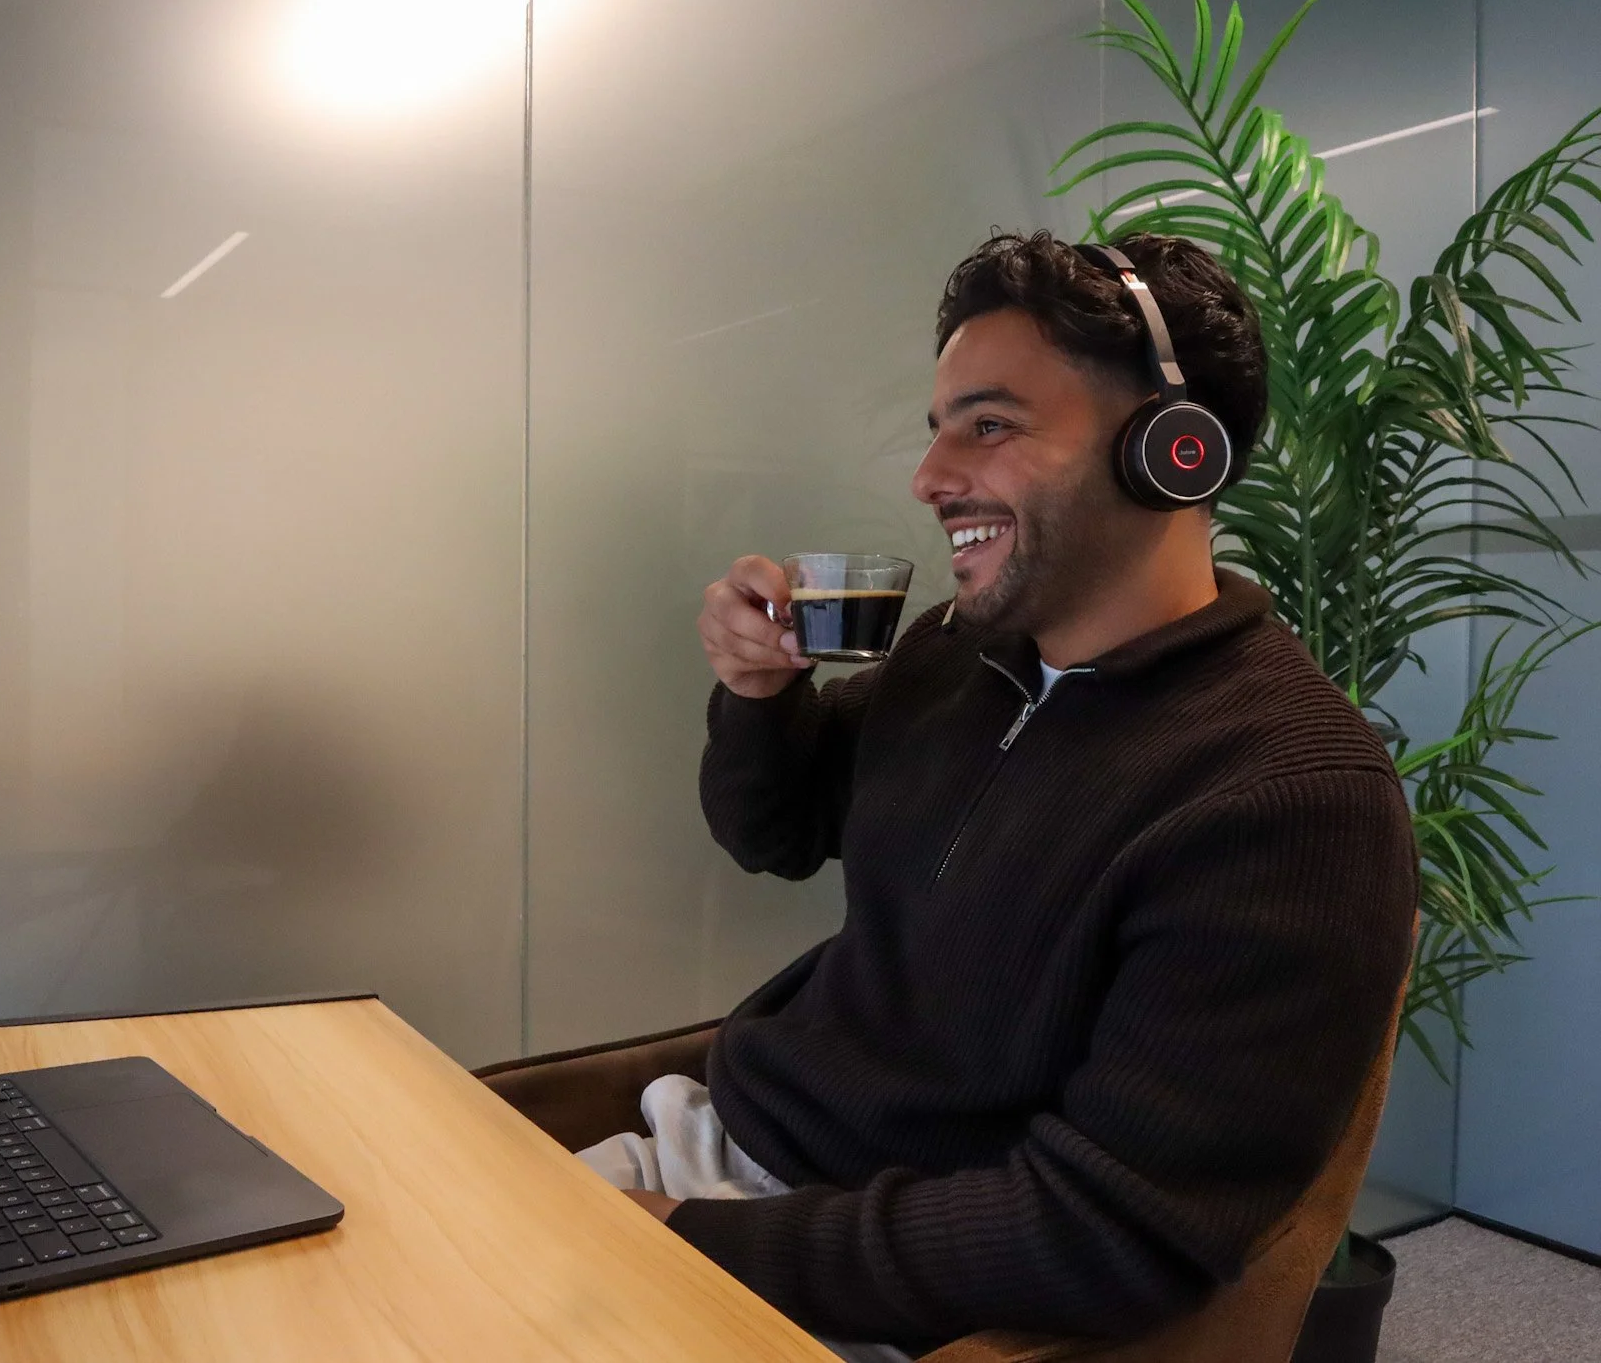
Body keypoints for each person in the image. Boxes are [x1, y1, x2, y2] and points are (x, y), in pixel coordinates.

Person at [579, 231, 1418, 1359]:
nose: (928, 479)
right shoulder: (954, 654)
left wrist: (684, 1242)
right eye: (934, 432)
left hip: (865, 1285)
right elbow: (772, 833)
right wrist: (756, 693)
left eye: (988, 425)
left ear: (1172, 451)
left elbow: (1104, 1231)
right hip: (707, 1144)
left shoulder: (1286, 793)